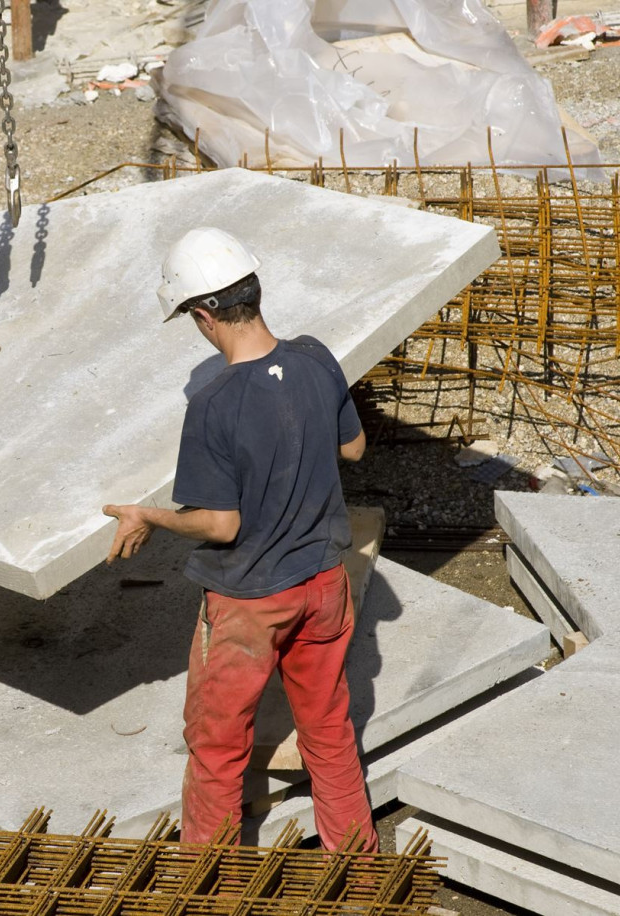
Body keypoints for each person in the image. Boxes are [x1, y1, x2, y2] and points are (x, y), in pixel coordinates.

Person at [102, 227, 376, 851]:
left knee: (219, 747)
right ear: (254, 291)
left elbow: (219, 524)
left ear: (203, 316)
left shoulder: (214, 403)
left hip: (249, 602)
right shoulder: (315, 357)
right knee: (329, 733)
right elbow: (354, 448)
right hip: (324, 584)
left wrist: (149, 516)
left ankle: (212, 891)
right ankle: (361, 875)